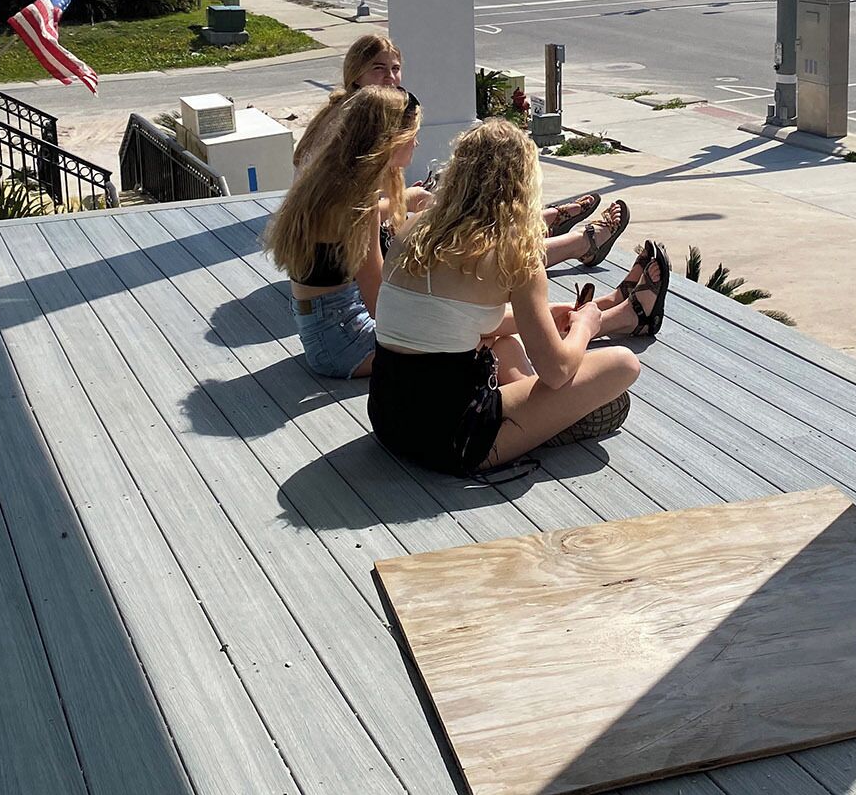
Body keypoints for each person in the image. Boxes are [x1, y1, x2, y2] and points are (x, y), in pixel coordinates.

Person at [370, 118, 669, 477]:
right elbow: (556, 371)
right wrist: (587, 326)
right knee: (622, 365)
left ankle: (547, 418)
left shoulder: (411, 229)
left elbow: (452, 316)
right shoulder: (515, 253)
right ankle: (553, 420)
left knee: (507, 345)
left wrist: (548, 312)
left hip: (389, 420)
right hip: (451, 440)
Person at [294, 32, 625, 266]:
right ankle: (580, 242)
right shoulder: (358, 122)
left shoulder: (347, 112)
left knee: (456, 219)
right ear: (356, 75)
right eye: (379, 69)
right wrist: (408, 203)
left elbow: (355, 207)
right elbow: (351, 213)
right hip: (350, 258)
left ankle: (545, 221)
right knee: (476, 247)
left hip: (348, 249)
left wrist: (409, 200)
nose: (391, 78)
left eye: (395, 68)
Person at [262, 85, 421, 379]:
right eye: (413, 135)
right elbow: (379, 304)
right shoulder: (357, 206)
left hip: (323, 331)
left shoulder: (332, 181)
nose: (417, 143)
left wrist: (408, 200)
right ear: (392, 140)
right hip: (344, 345)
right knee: (469, 339)